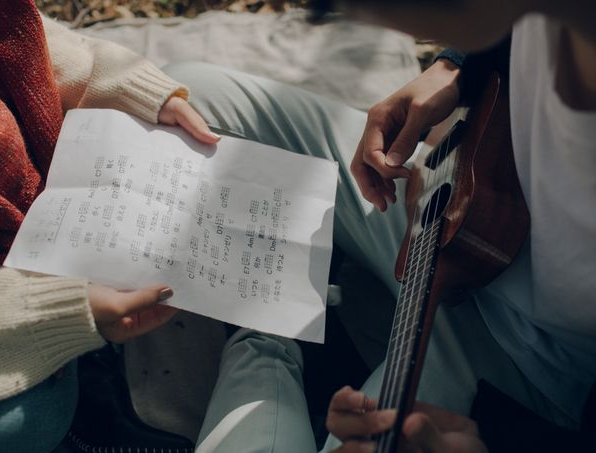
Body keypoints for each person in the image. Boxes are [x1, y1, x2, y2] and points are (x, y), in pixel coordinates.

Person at [160, 0, 596, 451]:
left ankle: (270, 336)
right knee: (186, 100)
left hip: (527, 363)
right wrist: (455, 69)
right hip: (448, 203)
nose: (375, 24)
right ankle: (290, 295)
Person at [0, 1, 219, 451]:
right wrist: (51, 315)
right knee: (25, 416)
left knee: (205, 93)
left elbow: (21, 37)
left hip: (31, 215)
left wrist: (130, 89)